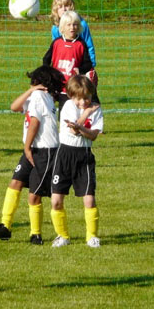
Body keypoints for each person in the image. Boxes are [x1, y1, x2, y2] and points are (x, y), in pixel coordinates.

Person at [0, 66, 65, 245]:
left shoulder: (40, 97)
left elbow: (35, 123)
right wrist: (30, 91)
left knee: (34, 195)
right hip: (33, 148)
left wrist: (27, 147)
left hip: (44, 151)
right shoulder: (36, 95)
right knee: (15, 183)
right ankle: (5, 226)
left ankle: (35, 234)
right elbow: (14, 107)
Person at [50, 75, 103, 249]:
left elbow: (93, 135)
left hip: (84, 156)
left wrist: (81, 128)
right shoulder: (68, 106)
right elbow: (73, 130)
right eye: (79, 98)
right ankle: (63, 236)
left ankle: (92, 236)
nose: (84, 102)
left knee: (89, 200)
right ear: (71, 96)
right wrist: (85, 115)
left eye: (87, 98)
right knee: (56, 200)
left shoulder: (97, 109)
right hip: (64, 154)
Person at [43, 10, 98, 110]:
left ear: (79, 26)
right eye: (68, 25)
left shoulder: (81, 44)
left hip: (74, 86)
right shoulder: (57, 42)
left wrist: (80, 70)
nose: (72, 27)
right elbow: (46, 59)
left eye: (75, 24)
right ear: (62, 27)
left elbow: (88, 63)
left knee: (76, 111)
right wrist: (49, 73)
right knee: (62, 112)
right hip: (58, 85)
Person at [50, 0, 97, 70]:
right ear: (56, 10)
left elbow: (89, 46)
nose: (64, 9)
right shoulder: (55, 28)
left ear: (71, 8)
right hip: (63, 64)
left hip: (79, 63)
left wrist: (91, 66)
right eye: (60, 7)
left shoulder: (81, 24)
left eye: (66, 6)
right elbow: (55, 48)